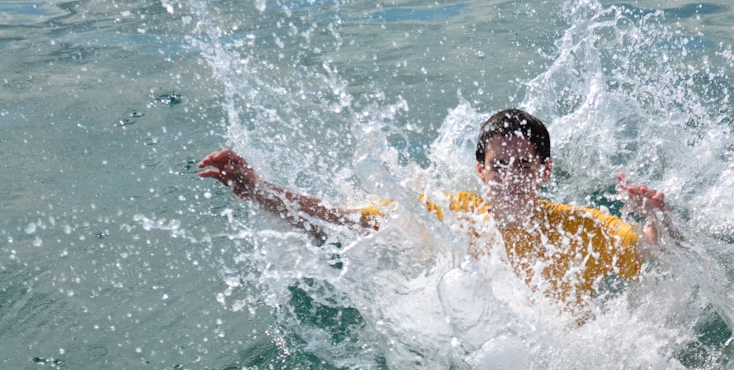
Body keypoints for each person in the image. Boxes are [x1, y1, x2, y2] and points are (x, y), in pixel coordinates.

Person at [198, 108, 678, 305]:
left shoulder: (581, 228)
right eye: (500, 165)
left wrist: (658, 217)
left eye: (525, 165)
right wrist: (258, 189)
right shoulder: (447, 213)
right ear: (480, 170)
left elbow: (655, 257)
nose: (511, 177)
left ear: (546, 171)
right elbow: (340, 221)